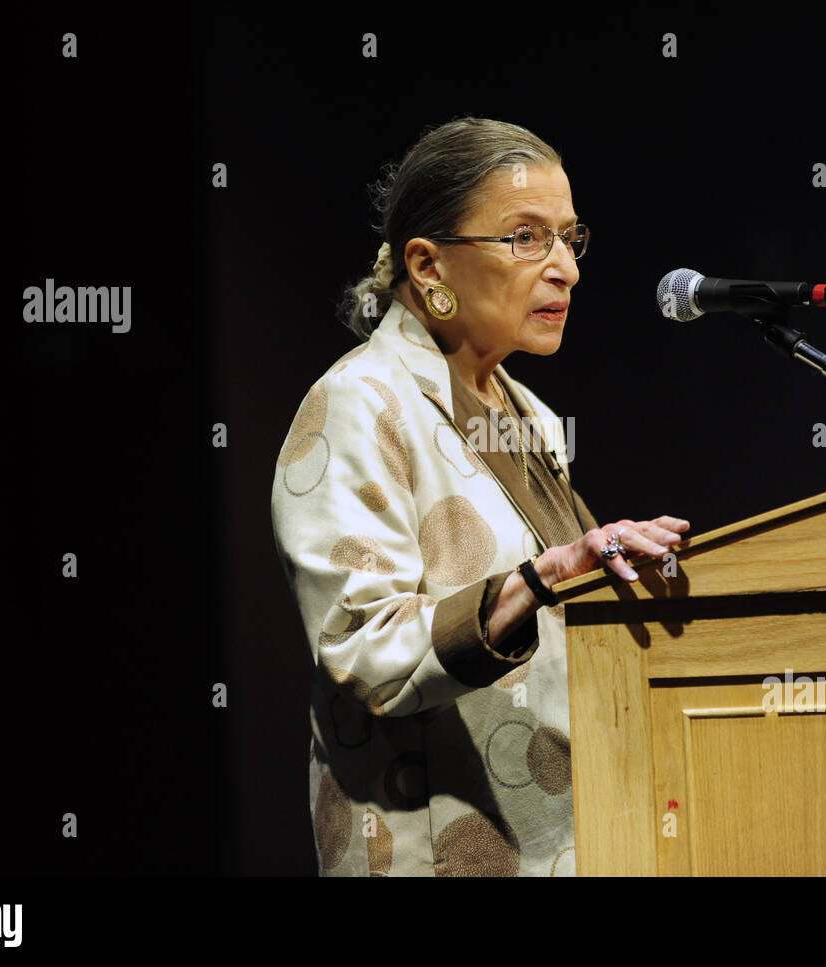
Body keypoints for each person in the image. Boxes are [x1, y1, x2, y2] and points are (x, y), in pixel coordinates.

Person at [270, 117, 690, 876]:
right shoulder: (358, 405)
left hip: (564, 840)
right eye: (526, 237)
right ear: (428, 265)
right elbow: (364, 655)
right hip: (439, 853)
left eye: (568, 237)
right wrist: (539, 576)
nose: (565, 267)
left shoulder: (523, 412)